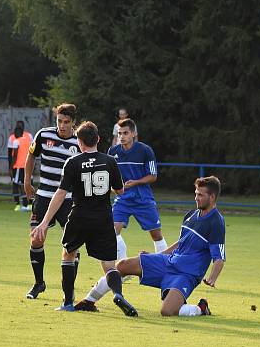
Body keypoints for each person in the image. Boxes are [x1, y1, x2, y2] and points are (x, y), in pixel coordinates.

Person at [77, 176, 225, 317]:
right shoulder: (191, 214)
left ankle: (201, 309)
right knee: (122, 265)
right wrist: (156, 256)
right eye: (195, 194)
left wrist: (212, 278)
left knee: (167, 311)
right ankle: (89, 302)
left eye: (200, 195)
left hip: (186, 274)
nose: (196, 198)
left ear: (212, 197)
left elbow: (219, 257)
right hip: (168, 262)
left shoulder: (216, 222)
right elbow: (181, 243)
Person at [32, 122, 137, 315]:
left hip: (79, 216)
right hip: (104, 218)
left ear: (79, 142)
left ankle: (68, 302)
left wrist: (45, 222)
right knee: (108, 265)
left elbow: (61, 193)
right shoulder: (109, 161)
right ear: (98, 139)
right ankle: (118, 294)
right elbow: (120, 190)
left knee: (68, 255)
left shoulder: (72, 163)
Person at [23, 104, 81, 299]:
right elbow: (31, 155)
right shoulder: (44, 135)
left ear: (73, 122)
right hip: (44, 196)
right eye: (59, 121)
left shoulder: (80, 142)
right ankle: (39, 283)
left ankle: (69, 290)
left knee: (72, 246)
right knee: (36, 239)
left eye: (66, 122)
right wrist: (26, 180)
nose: (62, 126)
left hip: (69, 200)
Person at [108, 118, 167, 259]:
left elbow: (153, 176)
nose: (121, 136)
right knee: (111, 231)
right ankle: (122, 268)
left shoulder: (145, 151)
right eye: (119, 133)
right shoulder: (112, 151)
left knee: (156, 235)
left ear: (133, 134)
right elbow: (109, 175)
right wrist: (114, 187)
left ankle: (164, 265)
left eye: (125, 133)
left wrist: (135, 182)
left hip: (143, 198)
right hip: (123, 199)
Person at [8, 120, 33, 211]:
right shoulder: (28, 141)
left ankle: (23, 205)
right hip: (28, 166)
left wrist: (11, 167)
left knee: (19, 184)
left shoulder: (16, 141)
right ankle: (29, 203)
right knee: (28, 184)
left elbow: (14, 155)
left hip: (19, 166)